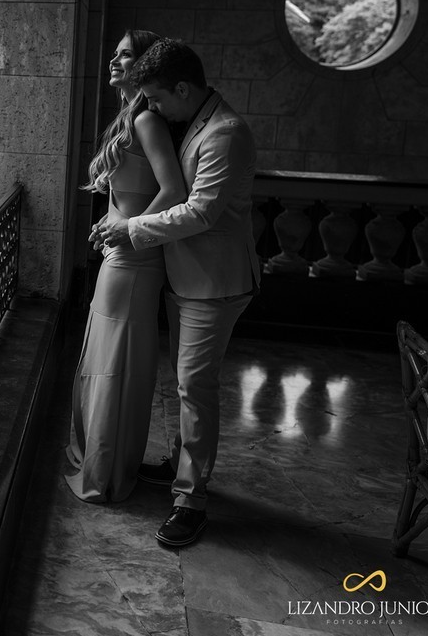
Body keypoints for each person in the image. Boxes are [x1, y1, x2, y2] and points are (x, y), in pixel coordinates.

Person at [97, 38, 260, 547]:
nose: (153, 108)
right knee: (187, 384)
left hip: (214, 283)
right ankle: (178, 463)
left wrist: (130, 229)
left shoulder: (225, 133)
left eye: (157, 99)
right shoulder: (194, 120)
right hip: (185, 276)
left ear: (183, 89)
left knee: (195, 387)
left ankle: (191, 501)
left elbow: (201, 212)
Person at [64, 29, 185, 503]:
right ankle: (102, 459)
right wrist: (112, 225)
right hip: (123, 255)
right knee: (105, 358)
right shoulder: (130, 117)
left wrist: (129, 229)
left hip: (135, 260)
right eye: (114, 52)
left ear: (146, 64)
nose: (114, 60)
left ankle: (108, 472)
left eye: (126, 54)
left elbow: (173, 191)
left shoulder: (148, 121)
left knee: (116, 363)